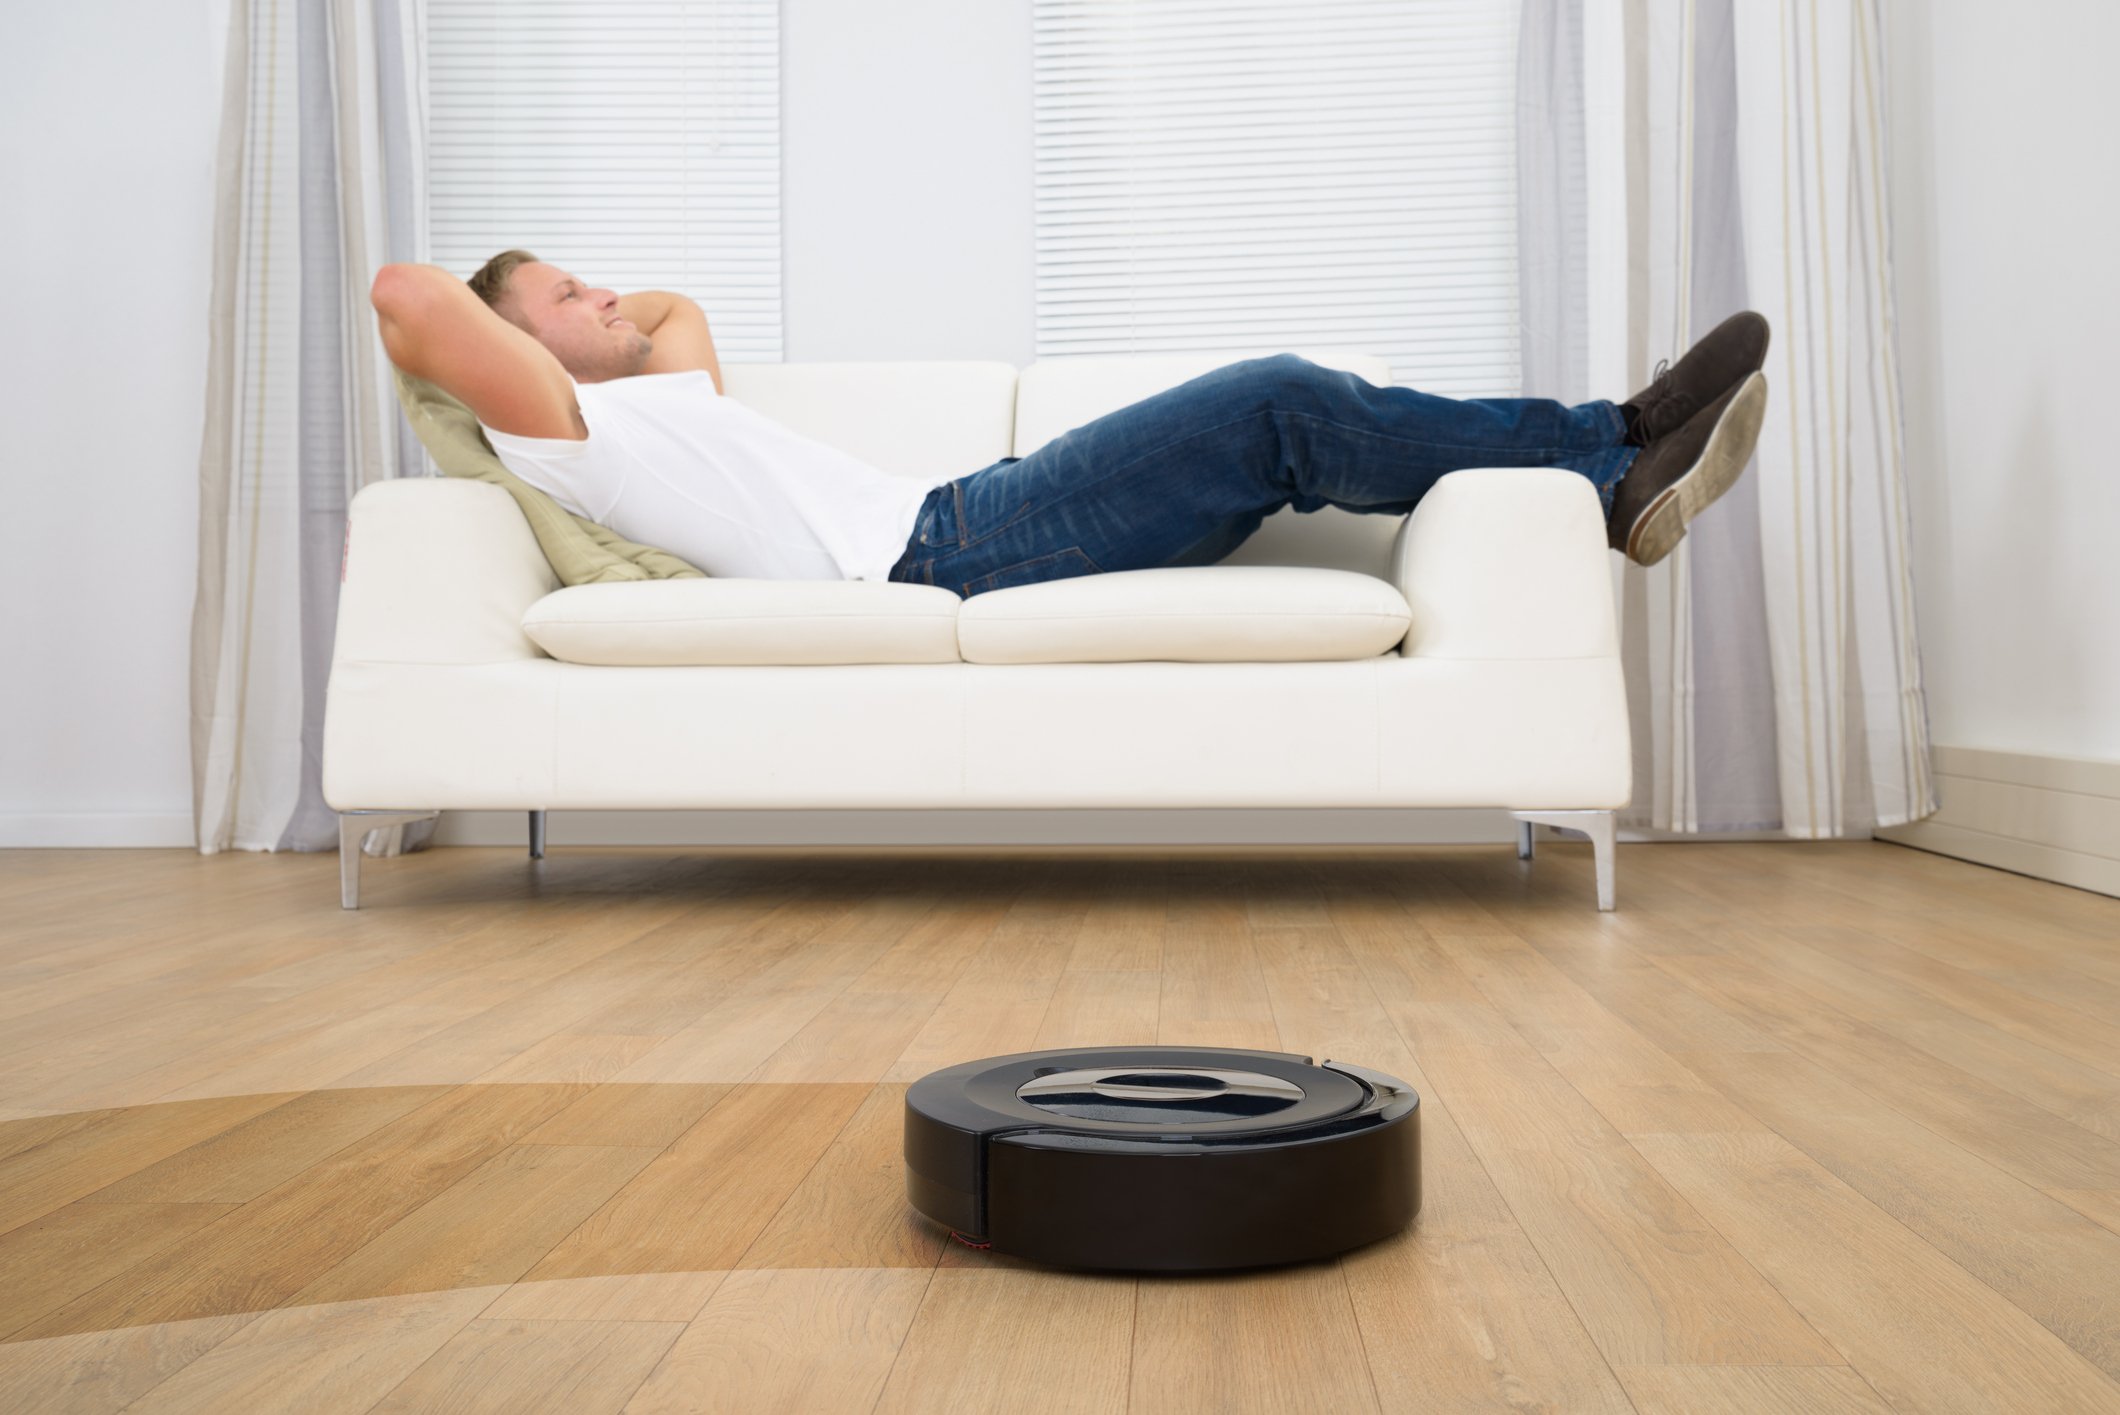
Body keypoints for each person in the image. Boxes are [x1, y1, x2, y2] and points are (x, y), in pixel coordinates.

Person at [369, 251, 1770, 598]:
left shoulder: (663, 405)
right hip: (942, 549)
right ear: (513, 350)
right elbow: (405, 297)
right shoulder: (562, 433)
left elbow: (674, 306)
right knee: (1278, 399)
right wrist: (522, 330)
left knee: (1278, 416)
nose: (607, 295)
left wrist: (585, 317)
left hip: (976, 508)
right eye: (568, 294)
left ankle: (1615, 450)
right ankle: (1613, 450)